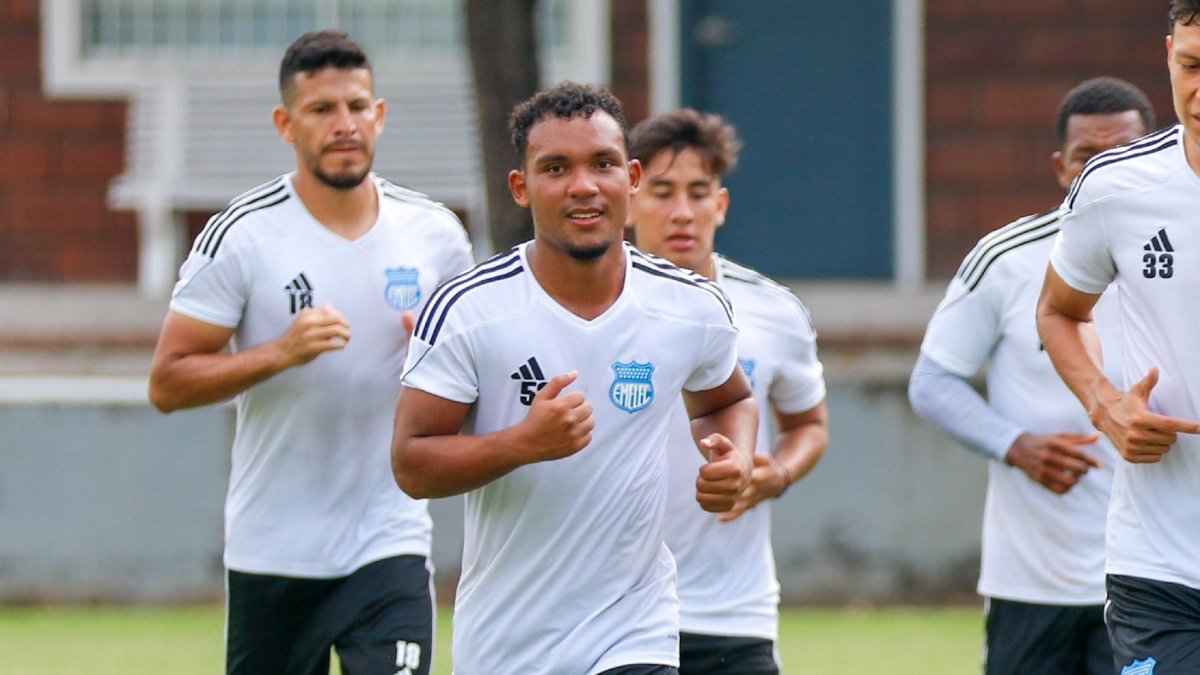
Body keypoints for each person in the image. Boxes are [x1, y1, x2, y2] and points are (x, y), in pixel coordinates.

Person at [391, 82, 758, 675]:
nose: (583, 185)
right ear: (522, 187)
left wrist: (734, 459)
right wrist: (524, 444)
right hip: (508, 645)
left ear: (632, 179)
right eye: (556, 167)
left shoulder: (689, 306)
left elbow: (728, 399)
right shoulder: (467, 310)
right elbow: (411, 463)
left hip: (634, 632)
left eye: (603, 164)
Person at [147, 30, 473, 675]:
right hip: (275, 552)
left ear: (379, 115)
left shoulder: (435, 235)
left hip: (390, 544)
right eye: (321, 110)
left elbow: (471, 384)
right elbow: (168, 383)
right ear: (286, 125)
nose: (344, 125)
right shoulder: (241, 235)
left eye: (356, 106)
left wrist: (438, 357)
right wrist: (279, 354)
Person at [911, 77, 1155, 675]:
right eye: (1085, 159)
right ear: (1058, 166)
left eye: (1119, 154)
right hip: (1031, 584)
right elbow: (933, 381)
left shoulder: (1180, 256)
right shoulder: (1007, 258)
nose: (1101, 174)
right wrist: (1014, 444)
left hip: (1152, 576)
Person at [624, 109, 828, 675]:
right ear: (630, 199)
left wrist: (777, 474)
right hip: (616, 614)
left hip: (734, 615)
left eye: (699, 192)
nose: (682, 212)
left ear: (722, 204)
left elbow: (809, 425)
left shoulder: (774, 311)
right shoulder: (591, 309)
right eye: (662, 192)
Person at [1037, 4, 1200, 673]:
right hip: (1159, 567)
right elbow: (1058, 312)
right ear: (1168, 54)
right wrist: (1106, 406)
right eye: (1192, 66)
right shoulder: (1116, 188)